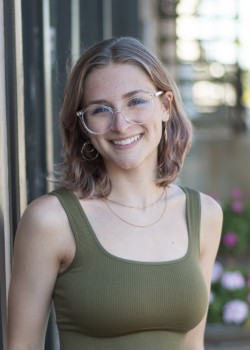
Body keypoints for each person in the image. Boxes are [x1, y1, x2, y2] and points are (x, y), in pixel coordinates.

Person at [7, 37, 222, 350]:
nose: (120, 124)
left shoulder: (204, 214)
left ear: (165, 106)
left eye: (136, 101)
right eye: (100, 109)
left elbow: (193, 344)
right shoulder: (51, 221)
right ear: (83, 124)